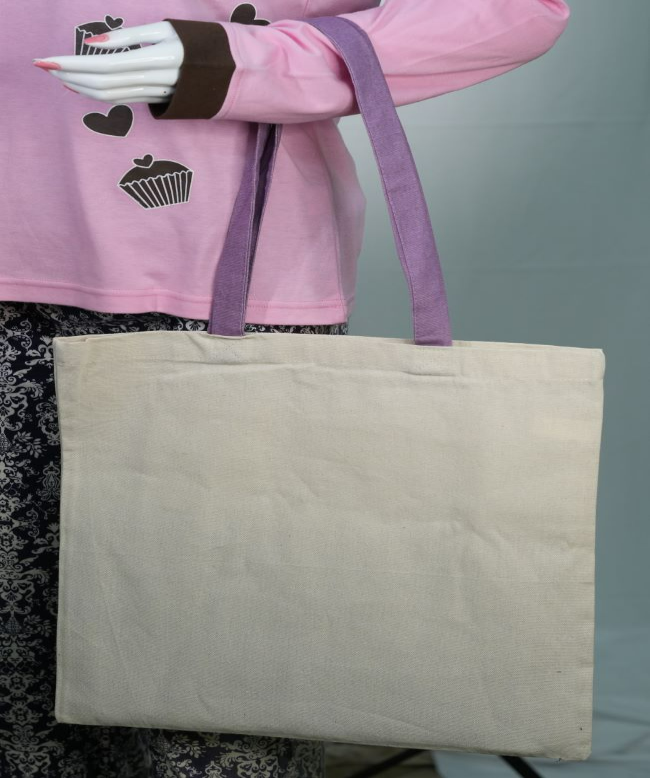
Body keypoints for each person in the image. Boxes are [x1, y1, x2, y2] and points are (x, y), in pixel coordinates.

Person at [0, 1, 571, 775]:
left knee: (215, 698)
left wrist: (245, 60)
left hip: (216, 285)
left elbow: (515, 10)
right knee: (21, 688)